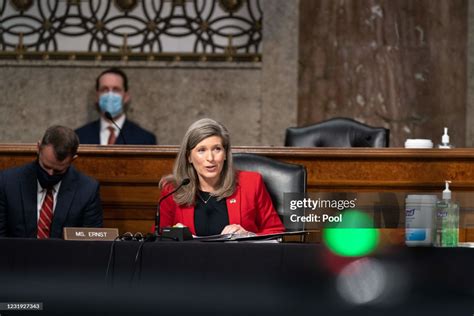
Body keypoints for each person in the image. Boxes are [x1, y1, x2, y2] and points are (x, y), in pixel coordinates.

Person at [159, 118, 285, 236]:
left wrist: (247, 236)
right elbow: (159, 239)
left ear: (225, 154)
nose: (210, 158)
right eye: (201, 150)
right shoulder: (172, 190)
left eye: (217, 149)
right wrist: (173, 234)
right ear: (189, 157)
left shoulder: (251, 183)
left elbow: (276, 232)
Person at [0, 126, 103, 238]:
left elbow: (91, 245)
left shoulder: (87, 190)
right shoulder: (8, 182)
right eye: (46, 166)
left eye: (58, 170)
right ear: (38, 148)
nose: (50, 174)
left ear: (73, 159)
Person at [75, 67, 157, 145]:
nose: (110, 95)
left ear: (126, 96)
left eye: (116, 89)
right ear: (97, 96)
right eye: (104, 89)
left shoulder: (145, 139)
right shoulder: (78, 137)